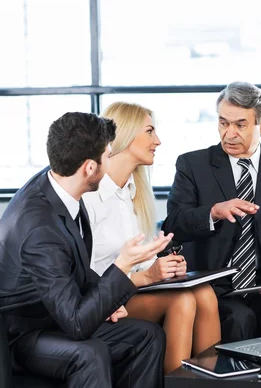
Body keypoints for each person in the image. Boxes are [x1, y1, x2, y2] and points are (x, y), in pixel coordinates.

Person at [0, 112, 174, 388]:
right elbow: (77, 325)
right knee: (90, 353)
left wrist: (109, 300)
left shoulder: (61, 184)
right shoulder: (41, 229)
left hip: (56, 311)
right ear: (90, 168)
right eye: (107, 156)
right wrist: (122, 267)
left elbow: (73, 270)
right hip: (26, 333)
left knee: (147, 335)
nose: (110, 161)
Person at [162, 81, 261, 342]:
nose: (229, 134)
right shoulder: (192, 164)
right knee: (240, 318)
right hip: (213, 287)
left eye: (240, 125)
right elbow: (173, 225)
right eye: (223, 123)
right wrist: (213, 212)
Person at [83, 102, 221, 373]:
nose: (157, 140)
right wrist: (147, 274)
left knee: (204, 293)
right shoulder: (89, 198)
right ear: (125, 134)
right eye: (149, 131)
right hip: (101, 300)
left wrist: (164, 268)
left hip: (129, 290)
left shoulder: (134, 193)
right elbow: (83, 275)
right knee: (182, 300)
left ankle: (211, 381)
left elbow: (141, 262)